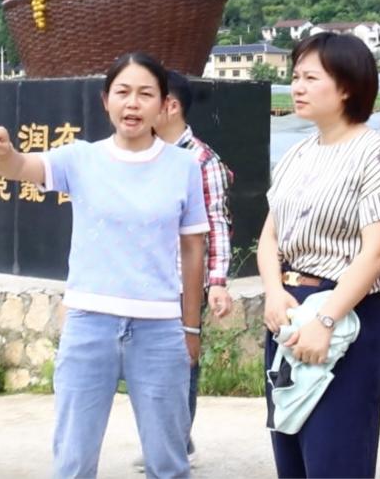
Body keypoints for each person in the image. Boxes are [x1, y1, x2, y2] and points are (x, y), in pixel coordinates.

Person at [0, 52, 207, 479]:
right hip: (88, 326)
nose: (132, 103)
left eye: (145, 94)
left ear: (162, 104)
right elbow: (20, 167)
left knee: (169, 464)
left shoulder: (184, 166)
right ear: (105, 100)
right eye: (123, 92)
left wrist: (190, 327)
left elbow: (194, 248)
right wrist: (1, 150)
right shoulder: (80, 158)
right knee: (74, 463)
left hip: (159, 330)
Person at [256, 32, 380, 478]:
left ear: (346, 86)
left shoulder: (375, 154)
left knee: (336, 458)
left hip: (345, 315)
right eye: (295, 77)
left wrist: (325, 320)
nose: (297, 87)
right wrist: (273, 292)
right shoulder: (297, 153)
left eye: (310, 78)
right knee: (291, 457)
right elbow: (270, 237)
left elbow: (377, 250)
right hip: (289, 312)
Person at [151, 68, 235, 468]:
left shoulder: (202, 160)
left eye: (148, 96)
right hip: (148, 277)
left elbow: (216, 223)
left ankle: (177, 444)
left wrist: (216, 281)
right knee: (152, 365)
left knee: (182, 360)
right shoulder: (146, 153)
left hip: (185, 281)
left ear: (170, 106)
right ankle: (164, 440)